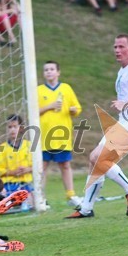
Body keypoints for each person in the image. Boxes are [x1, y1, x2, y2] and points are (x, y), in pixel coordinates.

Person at [66, 34, 128, 218]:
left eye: (121, 47)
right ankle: (86, 209)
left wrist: (127, 103)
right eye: (115, 47)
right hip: (125, 123)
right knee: (95, 161)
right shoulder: (123, 70)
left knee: (98, 158)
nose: (117, 50)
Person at [38, 61, 82, 208]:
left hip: (62, 135)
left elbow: (77, 108)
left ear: (58, 72)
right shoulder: (38, 90)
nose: (49, 72)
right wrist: (49, 107)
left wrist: (73, 110)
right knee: (42, 166)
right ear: (44, 73)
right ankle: (40, 198)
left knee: (65, 165)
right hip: (43, 136)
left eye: (52, 69)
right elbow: (33, 111)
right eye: (46, 70)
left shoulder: (66, 88)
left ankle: (70, 195)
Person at [0, 114, 34, 208]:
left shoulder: (29, 145)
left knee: (33, 201)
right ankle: (15, 203)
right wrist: (13, 172)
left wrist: (27, 169)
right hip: (9, 185)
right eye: (10, 127)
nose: (12, 129)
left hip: (26, 184)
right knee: (5, 202)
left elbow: (37, 165)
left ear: (21, 128)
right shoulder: (2, 147)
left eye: (15, 126)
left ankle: (25, 202)